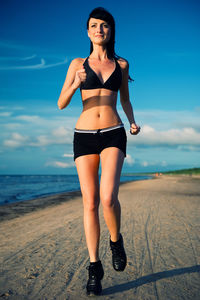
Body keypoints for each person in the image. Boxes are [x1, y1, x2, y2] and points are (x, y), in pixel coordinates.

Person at [57, 7, 140, 296]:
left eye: (104, 25)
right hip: (84, 136)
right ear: (87, 31)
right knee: (90, 202)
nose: (99, 30)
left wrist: (131, 122)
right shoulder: (77, 64)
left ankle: (116, 241)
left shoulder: (122, 64)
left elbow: (125, 100)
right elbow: (61, 102)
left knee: (107, 198)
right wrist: (76, 82)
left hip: (113, 132)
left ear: (111, 30)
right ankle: (95, 267)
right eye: (94, 25)